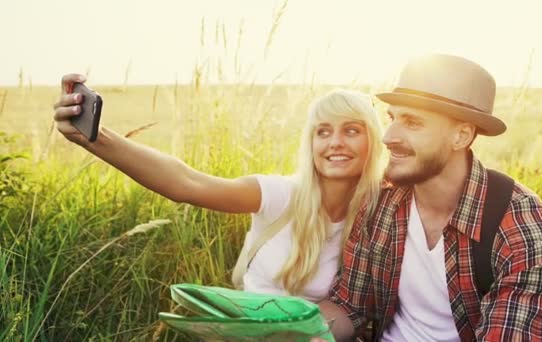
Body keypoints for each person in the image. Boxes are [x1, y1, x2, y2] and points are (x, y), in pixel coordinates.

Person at [52, 74, 385, 303]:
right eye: (323, 132)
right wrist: (94, 138)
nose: (335, 143)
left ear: (374, 138)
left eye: (352, 131)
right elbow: (186, 183)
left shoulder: (382, 213)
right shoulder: (281, 195)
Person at [315, 54, 542, 341]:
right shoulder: (379, 202)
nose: (388, 136)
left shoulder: (524, 230)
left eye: (412, 122)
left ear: (461, 136)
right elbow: (350, 306)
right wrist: (305, 332)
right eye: (392, 118)